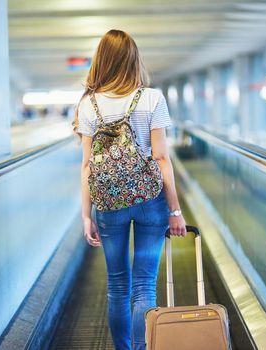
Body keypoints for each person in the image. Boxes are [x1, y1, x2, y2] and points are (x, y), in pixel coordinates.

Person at [71, 29, 187, 350]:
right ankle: (142, 347)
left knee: (118, 286)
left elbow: (86, 167)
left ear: (101, 62)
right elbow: (162, 158)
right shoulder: (151, 99)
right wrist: (175, 210)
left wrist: (86, 216)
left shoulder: (88, 105)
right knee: (144, 286)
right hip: (151, 200)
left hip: (109, 204)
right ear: (134, 59)